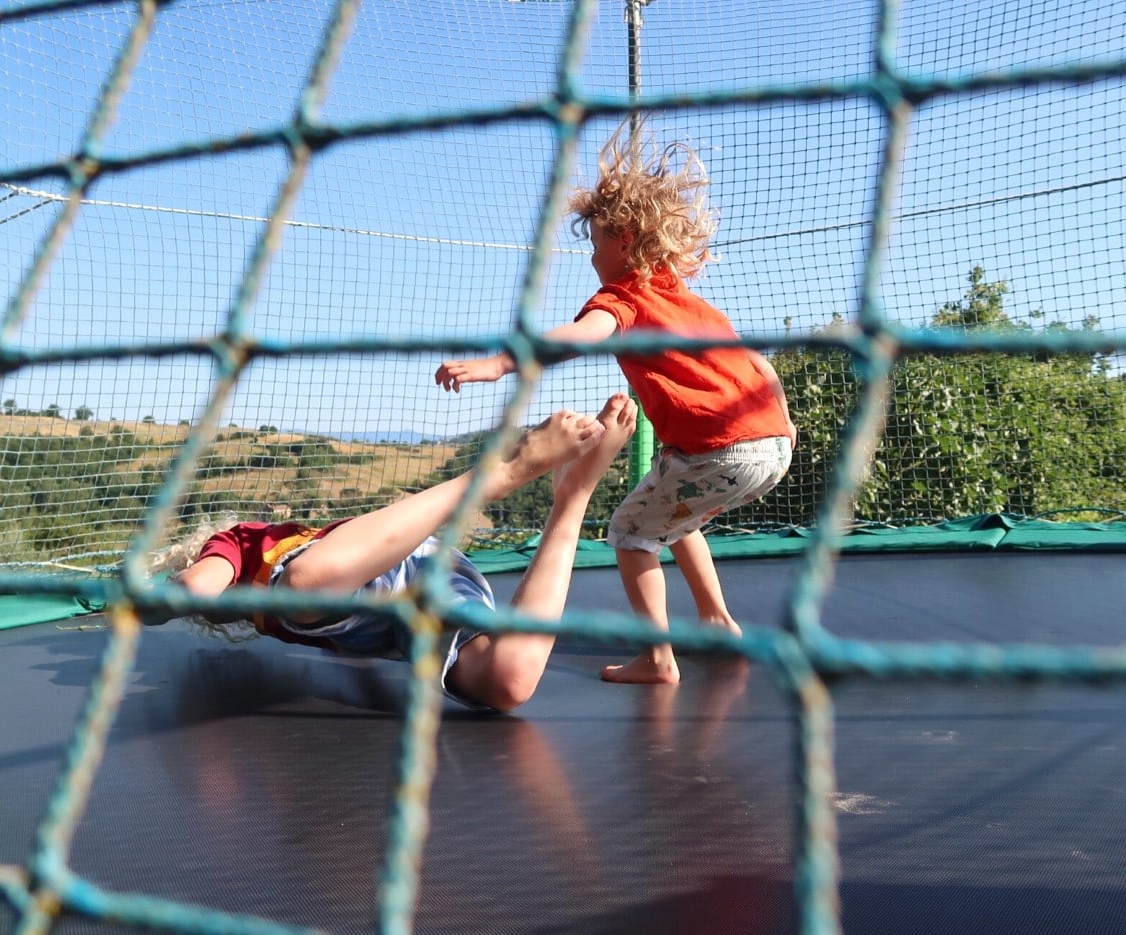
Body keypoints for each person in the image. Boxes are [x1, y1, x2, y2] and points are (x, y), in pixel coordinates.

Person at [434, 122, 797, 686]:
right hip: (771, 447)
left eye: (597, 242)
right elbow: (761, 364)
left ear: (624, 239)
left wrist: (501, 364)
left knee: (629, 532)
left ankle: (658, 657)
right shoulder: (692, 303)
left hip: (718, 450)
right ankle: (718, 623)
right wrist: (786, 424)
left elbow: (581, 337)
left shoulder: (623, 296)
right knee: (673, 515)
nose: (593, 256)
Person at [148, 394, 638, 713]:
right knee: (508, 683)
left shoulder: (239, 541)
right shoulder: (277, 619)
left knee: (298, 587)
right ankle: (574, 497)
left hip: (393, 563)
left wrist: (149, 601)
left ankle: (502, 475)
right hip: (407, 607)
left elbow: (196, 586)